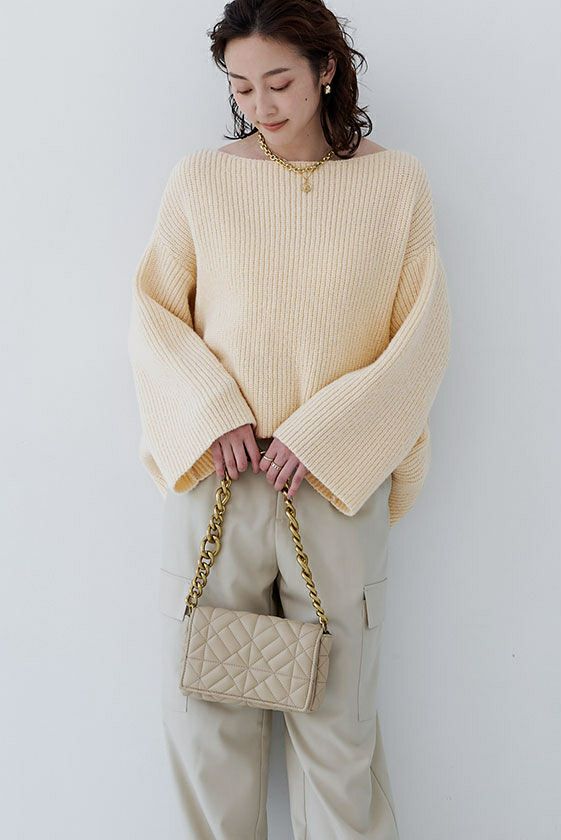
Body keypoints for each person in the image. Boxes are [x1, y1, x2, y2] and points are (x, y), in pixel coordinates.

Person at [127, 1, 451, 837]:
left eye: (278, 82)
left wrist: (323, 435)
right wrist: (213, 412)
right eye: (241, 87)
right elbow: (154, 314)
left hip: (335, 486)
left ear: (327, 70)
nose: (260, 105)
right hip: (219, 483)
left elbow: (421, 340)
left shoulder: (395, 184)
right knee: (208, 729)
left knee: (338, 734)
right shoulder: (201, 181)